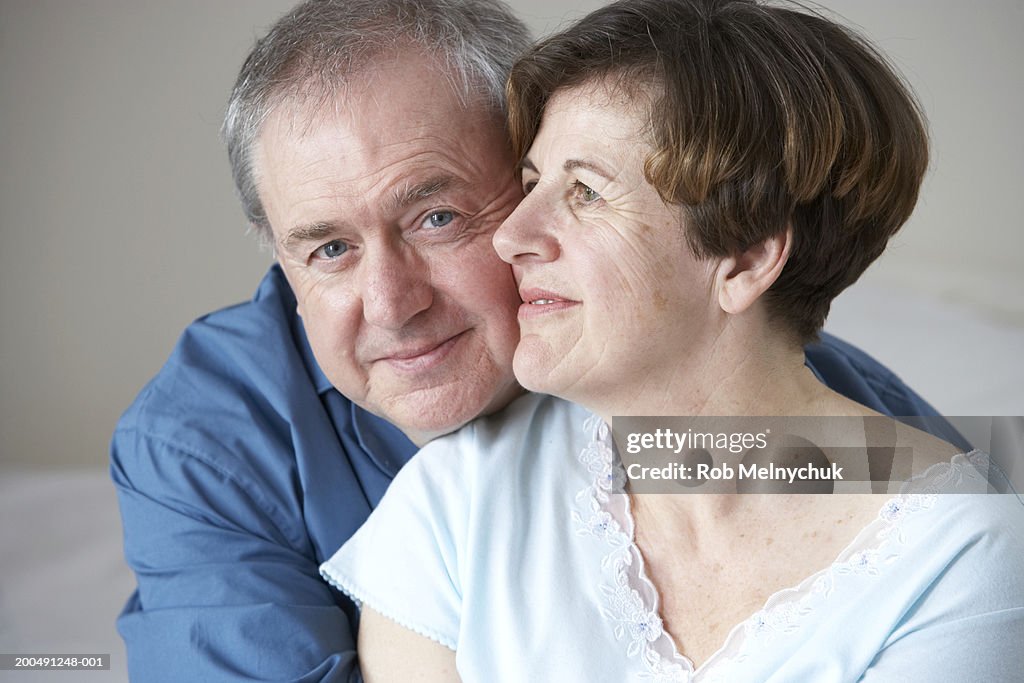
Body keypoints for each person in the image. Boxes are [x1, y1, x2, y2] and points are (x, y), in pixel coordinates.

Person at [112, 0, 961, 680]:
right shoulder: (203, 440)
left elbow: (960, 546)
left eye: (438, 217)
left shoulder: (744, 373)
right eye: (329, 248)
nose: (391, 303)